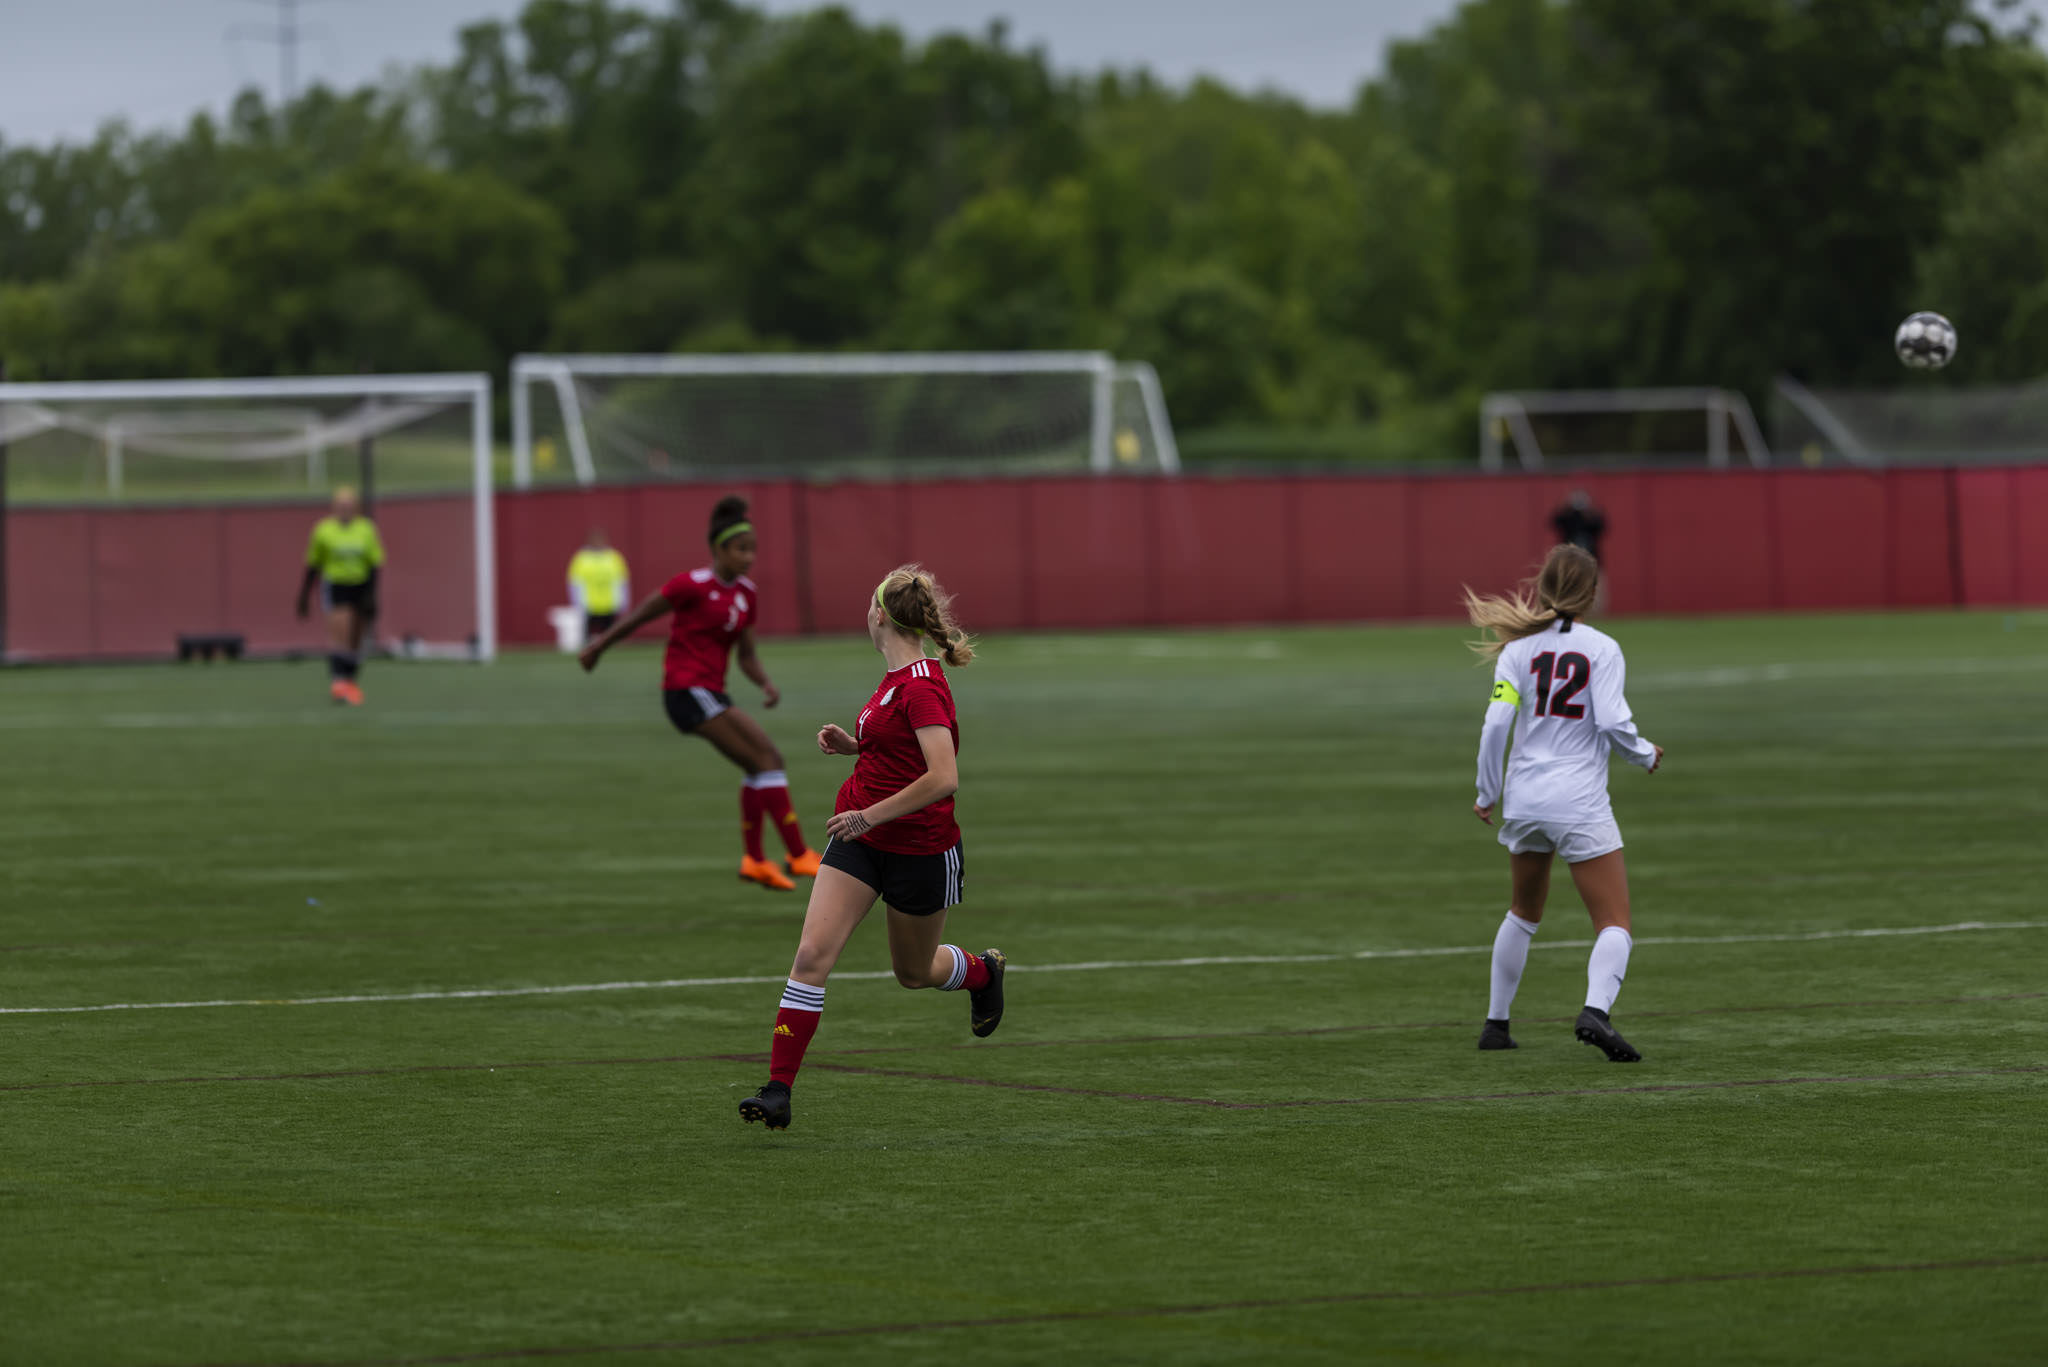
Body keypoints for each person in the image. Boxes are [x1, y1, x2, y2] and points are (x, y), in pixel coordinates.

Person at [738, 564, 1003, 1132]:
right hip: (859, 842)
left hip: (919, 848)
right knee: (811, 958)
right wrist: (856, 747)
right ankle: (778, 1089)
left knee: (914, 972)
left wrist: (867, 815)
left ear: (879, 614)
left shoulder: (923, 687)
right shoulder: (894, 680)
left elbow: (943, 777)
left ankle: (981, 974)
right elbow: (899, 751)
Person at [1465, 544, 1664, 1062]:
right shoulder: (1602, 648)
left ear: (1542, 588)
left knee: (1523, 913)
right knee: (1614, 923)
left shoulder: (1517, 652)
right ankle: (1595, 1011)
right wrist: (1644, 755)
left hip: (1526, 800)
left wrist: (1489, 791)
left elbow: (1495, 725)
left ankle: (1495, 1024)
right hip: (1578, 802)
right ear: (1591, 594)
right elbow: (1612, 722)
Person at [578, 495, 822, 891]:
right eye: (740, 549)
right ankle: (797, 854)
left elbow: (745, 655)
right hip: (686, 690)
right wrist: (598, 646)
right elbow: (642, 613)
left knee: (758, 766)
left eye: (752, 550)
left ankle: (756, 861)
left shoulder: (747, 595)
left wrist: (764, 683)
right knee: (769, 757)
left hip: (709, 692)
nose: (748, 557)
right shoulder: (691, 585)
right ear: (718, 549)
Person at [296, 486, 383, 705]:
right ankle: (338, 682)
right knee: (340, 633)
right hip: (336, 585)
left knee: (356, 638)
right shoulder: (324, 530)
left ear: (356, 507)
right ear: (334, 507)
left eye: (349, 504)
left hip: (361, 585)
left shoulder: (366, 529)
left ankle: (350, 681)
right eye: (341, 504)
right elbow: (313, 564)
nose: (345, 508)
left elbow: (374, 564)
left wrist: (372, 595)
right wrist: (304, 596)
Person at [567, 529, 631, 644]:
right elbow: (574, 583)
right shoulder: (581, 558)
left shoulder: (613, 557)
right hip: (589, 605)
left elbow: (622, 581)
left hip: (609, 604)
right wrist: (577, 602)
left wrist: (623, 601)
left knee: (609, 638)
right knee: (587, 639)